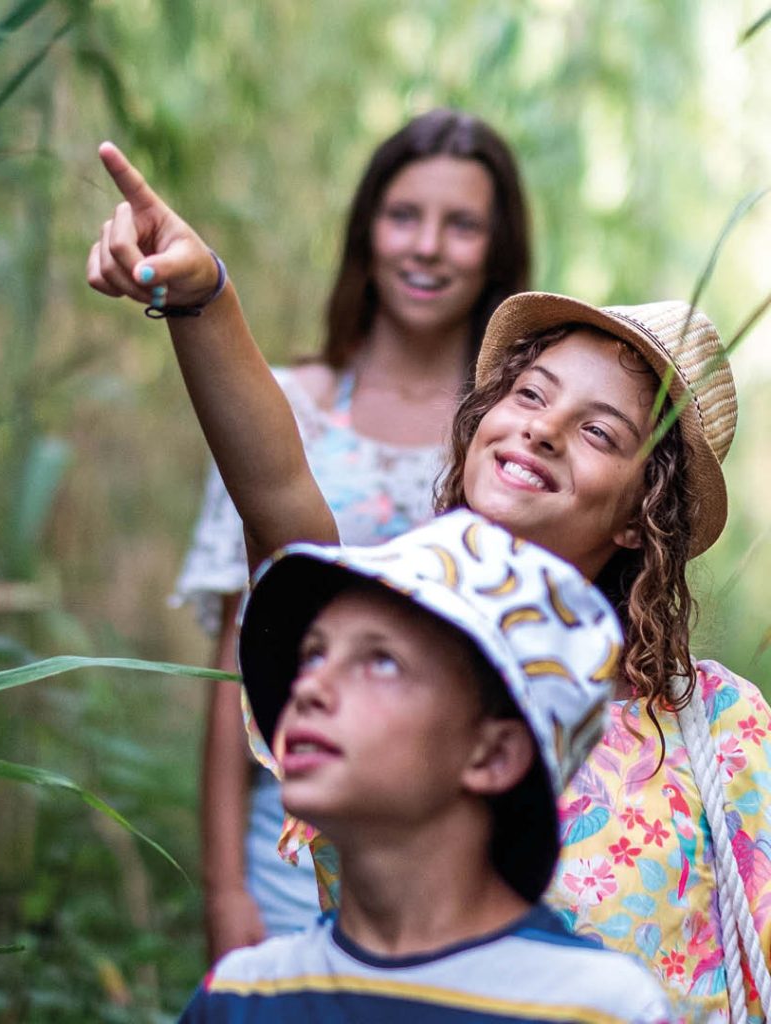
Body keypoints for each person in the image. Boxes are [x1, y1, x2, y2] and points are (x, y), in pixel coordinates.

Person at [85, 143, 771, 1023]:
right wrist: (203, 297)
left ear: (645, 514)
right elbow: (277, 493)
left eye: (600, 433)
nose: (544, 431)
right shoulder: (385, 637)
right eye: (529, 394)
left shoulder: (718, 727)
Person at [171, 109, 531, 959]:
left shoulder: (516, 436)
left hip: (459, 849)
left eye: (463, 224)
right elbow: (236, 662)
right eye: (405, 216)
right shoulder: (282, 410)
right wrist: (226, 890)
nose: (428, 247)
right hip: (288, 833)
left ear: (498, 249)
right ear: (367, 230)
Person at [178, 508, 674, 1022]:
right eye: (313, 656)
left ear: (493, 754)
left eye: (381, 661)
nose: (307, 689)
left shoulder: (597, 1007)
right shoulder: (242, 997)